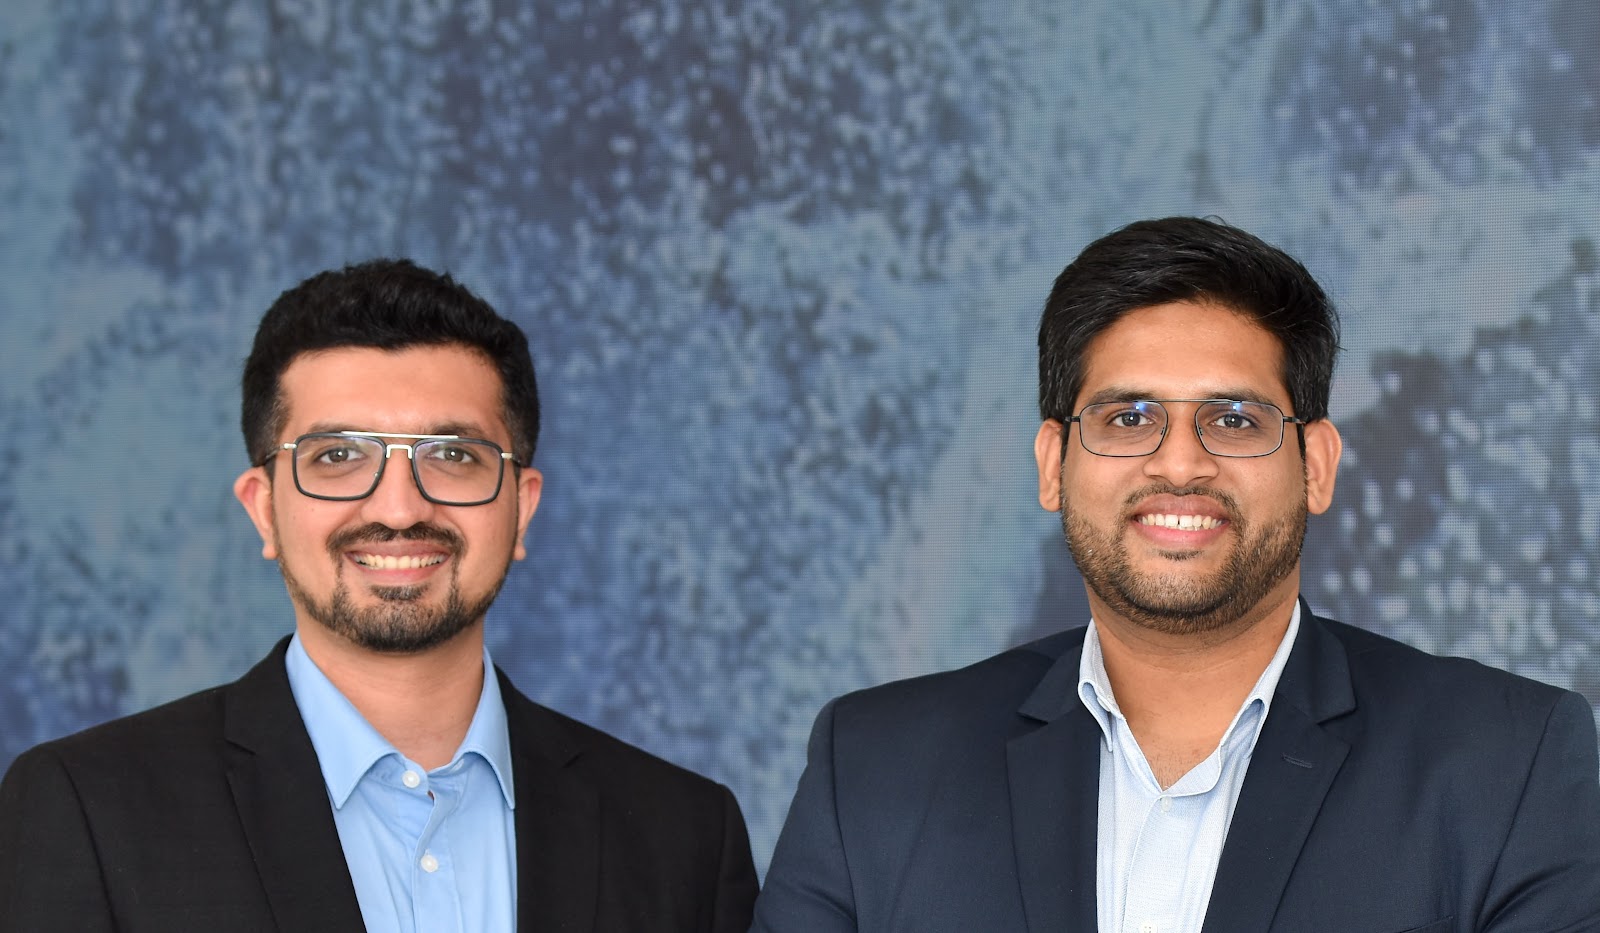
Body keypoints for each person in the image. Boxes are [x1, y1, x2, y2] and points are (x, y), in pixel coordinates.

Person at [752, 217, 1600, 932]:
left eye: (1234, 419)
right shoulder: (873, 767)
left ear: (1316, 464)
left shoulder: (1506, 765)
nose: (1181, 464)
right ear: (1053, 465)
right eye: (1128, 418)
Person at [0, 259, 758, 932]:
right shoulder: (90, 809)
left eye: (453, 454)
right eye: (337, 456)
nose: (398, 508)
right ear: (264, 509)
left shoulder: (684, 836)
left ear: (522, 508)